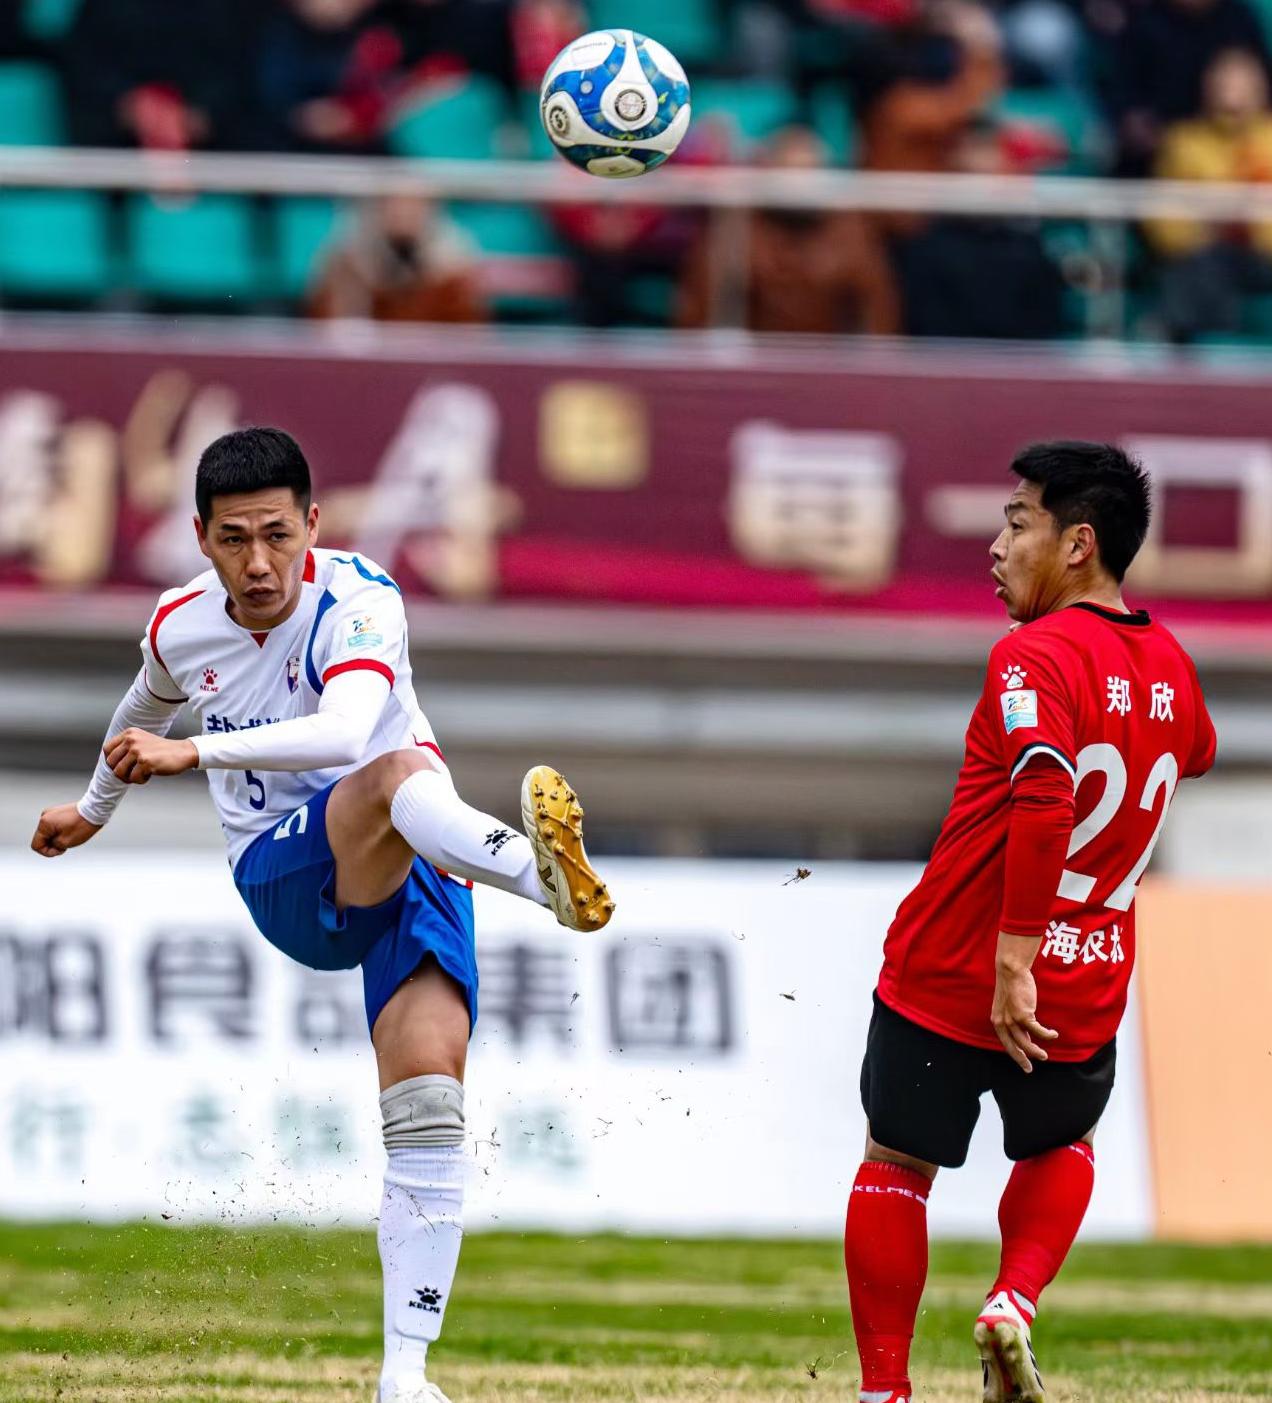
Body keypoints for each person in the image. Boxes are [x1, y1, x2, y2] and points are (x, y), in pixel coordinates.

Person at [30, 427, 614, 1403]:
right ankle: (535, 873)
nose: (258, 562)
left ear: (313, 522)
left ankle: (404, 1374)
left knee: (429, 1105)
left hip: (417, 853)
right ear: (201, 538)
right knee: (399, 769)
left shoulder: (362, 600)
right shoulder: (179, 624)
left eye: (276, 534)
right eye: (233, 539)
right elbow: (142, 713)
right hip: (285, 873)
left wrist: (190, 755)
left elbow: (343, 731)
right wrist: (92, 809)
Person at [843, 442, 1215, 1403]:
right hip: (1085, 972)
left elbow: (1047, 788)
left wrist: (1014, 957)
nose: (997, 546)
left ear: (1077, 544)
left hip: (962, 963)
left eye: (1017, 524)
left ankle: (885, 1391)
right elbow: (1197, 750)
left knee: (897, 1164)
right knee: (1063, 1143)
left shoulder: (1032, 653)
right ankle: (1013, 1298)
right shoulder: (1173, 667)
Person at [678, 126, 901, 334]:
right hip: (753, 358)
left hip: (828, 357)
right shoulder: (737, 230)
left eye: (807, 174)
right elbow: (699, 313)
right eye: (790, 175)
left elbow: (879, 313)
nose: (798, 187)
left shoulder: (851, 233)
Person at [1146, 48, 1272, 342]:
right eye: (1224, 83)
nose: (1233, 94)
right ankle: (1208, 354)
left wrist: (1253, 225)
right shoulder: (1183, 142)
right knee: (1198, 268)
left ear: (1261, 88)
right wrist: (1205, 230)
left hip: (1265, 255)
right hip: (1207, 254)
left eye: (1243, 84)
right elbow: (1164, 220)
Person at [307, 194, 486, 322]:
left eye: (414, 204)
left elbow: (469, 338)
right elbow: (326, 330)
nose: (402, 212)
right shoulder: (347, 262)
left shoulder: (455, 272)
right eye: (393, 203)